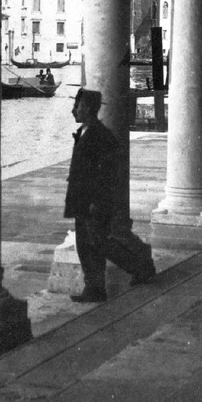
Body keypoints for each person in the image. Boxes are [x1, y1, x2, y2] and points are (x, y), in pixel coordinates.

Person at [64, 87, 156, 302]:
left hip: (93, 201)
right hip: (82, 199)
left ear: (87, 108)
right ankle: (95, 288)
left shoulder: (99, 135)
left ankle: (140, 267)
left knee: (98, 242)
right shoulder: (86, 131)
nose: (73, 111)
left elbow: (107, 172)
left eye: (76, 106)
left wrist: (97, 200)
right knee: (86, 244)